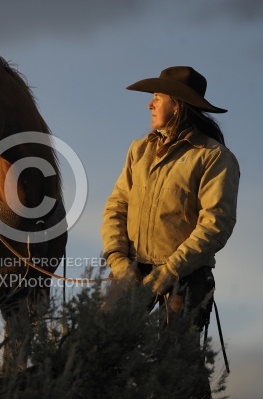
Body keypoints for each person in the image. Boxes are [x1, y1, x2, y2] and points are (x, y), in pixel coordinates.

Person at [102, 65, 239, 365]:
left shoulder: (213, 157)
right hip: (131, 269)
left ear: (178, 106)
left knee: (176, 367)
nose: (149, 104)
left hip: (185, 277)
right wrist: (118, 260)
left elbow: (216, 224)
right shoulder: (138, 150)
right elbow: (116, 206)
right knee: (98, 348)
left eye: (157, 97)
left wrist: (168, 272)